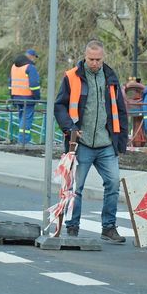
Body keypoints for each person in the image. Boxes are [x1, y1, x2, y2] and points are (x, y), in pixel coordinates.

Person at [53, 39, 130, 244]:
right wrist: (70, 128)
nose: (94, 63)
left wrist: (121, 141)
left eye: (98, 59)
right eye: (91, 59)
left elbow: (120, 110)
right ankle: (72, 227)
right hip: (82, 144)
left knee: (113, 184)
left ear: (103, 58)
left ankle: (108, 228)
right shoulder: (72, 77)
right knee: (75, 188)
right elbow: (60, 106)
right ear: (85, 57)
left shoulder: (110, 77)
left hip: (106, 143)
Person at [9, 48, 40, 146]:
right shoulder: (30, 67)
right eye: (34, 57)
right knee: (26, 120)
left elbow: (10, 83)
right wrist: (37, 98)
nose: (34, 59)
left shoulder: (14, 66)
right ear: (31, 56)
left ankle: (21, 140)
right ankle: (24, 141)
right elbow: (34, 85)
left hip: (16, 97)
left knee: (22, 119)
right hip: (28, 98)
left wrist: (12, 96)